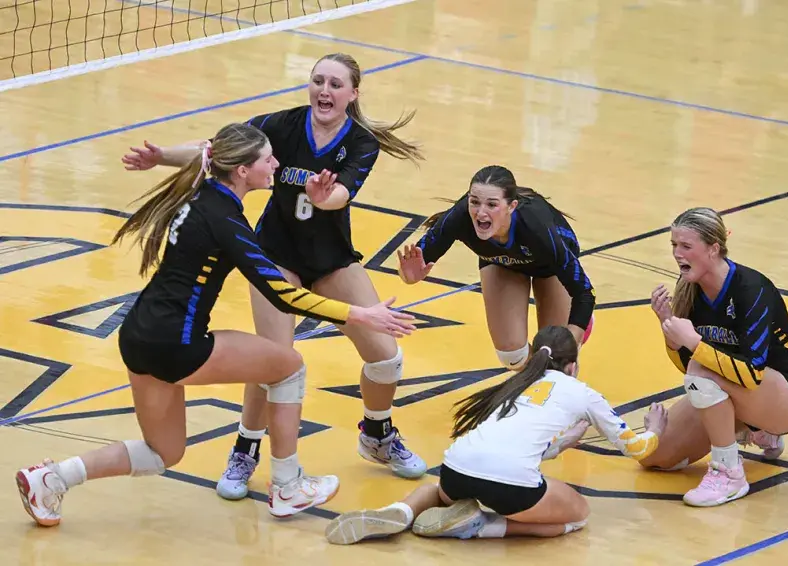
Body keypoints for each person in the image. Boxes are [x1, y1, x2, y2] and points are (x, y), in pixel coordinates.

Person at [16, 123, 418, 527]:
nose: (276, 164)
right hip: (177, 343)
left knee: (162, 453)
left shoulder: (201, 195)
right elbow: (283, 294)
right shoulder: (226, 220)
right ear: (242, 170)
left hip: (138, 334)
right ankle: (288, 484)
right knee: (288, 366)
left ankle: (52, 478)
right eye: (268, 159)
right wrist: (360, 314)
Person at [120, 52, 428, 504]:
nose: (325, 90)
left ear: (353, 94)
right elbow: (217, 151)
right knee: (272, 360)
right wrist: (162, 156)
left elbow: (341, 195)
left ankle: (377, 434)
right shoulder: (280, 125)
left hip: (331, 260)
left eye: (336, 84)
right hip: (276, 256)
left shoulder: (361, 143)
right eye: (318, 80)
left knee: (386, 358)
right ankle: (245, 450)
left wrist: (322, 198)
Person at [323, 325, 669, 544]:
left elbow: (508, 443)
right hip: (509, 486)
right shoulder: (583, 392)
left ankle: (400, 510)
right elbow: (637, 448)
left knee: (436, 489)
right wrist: (654, 430)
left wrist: (562, 443)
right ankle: (480, 526)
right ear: (572, 366)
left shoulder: (515, 383)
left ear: (533, 356)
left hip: (455, 472)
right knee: (577, 515)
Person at [641, 207, 788, 507]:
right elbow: (688, 368)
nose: (677, 254)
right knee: (655, 456)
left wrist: (693, 341)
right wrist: (669, 331)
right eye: (674, 245)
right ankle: (751, 427)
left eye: (686, 246)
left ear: (713, 248)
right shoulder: (690, 289)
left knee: (703, 370)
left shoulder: (752, 289)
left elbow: (750, 372)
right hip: (732, 386)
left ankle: (729, 472)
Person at [397, 165, 596, 373]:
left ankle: (583, 325)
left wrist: (572, 337)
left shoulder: (537, 229)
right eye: (474, 202)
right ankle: (539, 373)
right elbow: (413, 266)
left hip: (549, 267)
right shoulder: (459, 217)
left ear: (511, 206)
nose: (481, 213)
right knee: (512, 357)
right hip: (503, 263)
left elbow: (584, 293)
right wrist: (408, 276)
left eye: (492, 205)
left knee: (558, 361)